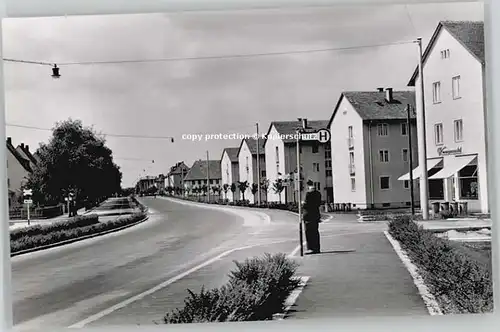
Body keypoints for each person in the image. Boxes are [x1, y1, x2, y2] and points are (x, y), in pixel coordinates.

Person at [302, 180, 322, 254]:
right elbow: (318, 203)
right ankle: (316, 248)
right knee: (315, 232)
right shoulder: (318, 194)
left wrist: (303, 203)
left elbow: (306, 205)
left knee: (309, 232)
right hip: (315, 215)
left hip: (308, 216)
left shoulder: (308, 194)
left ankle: (311, 248)